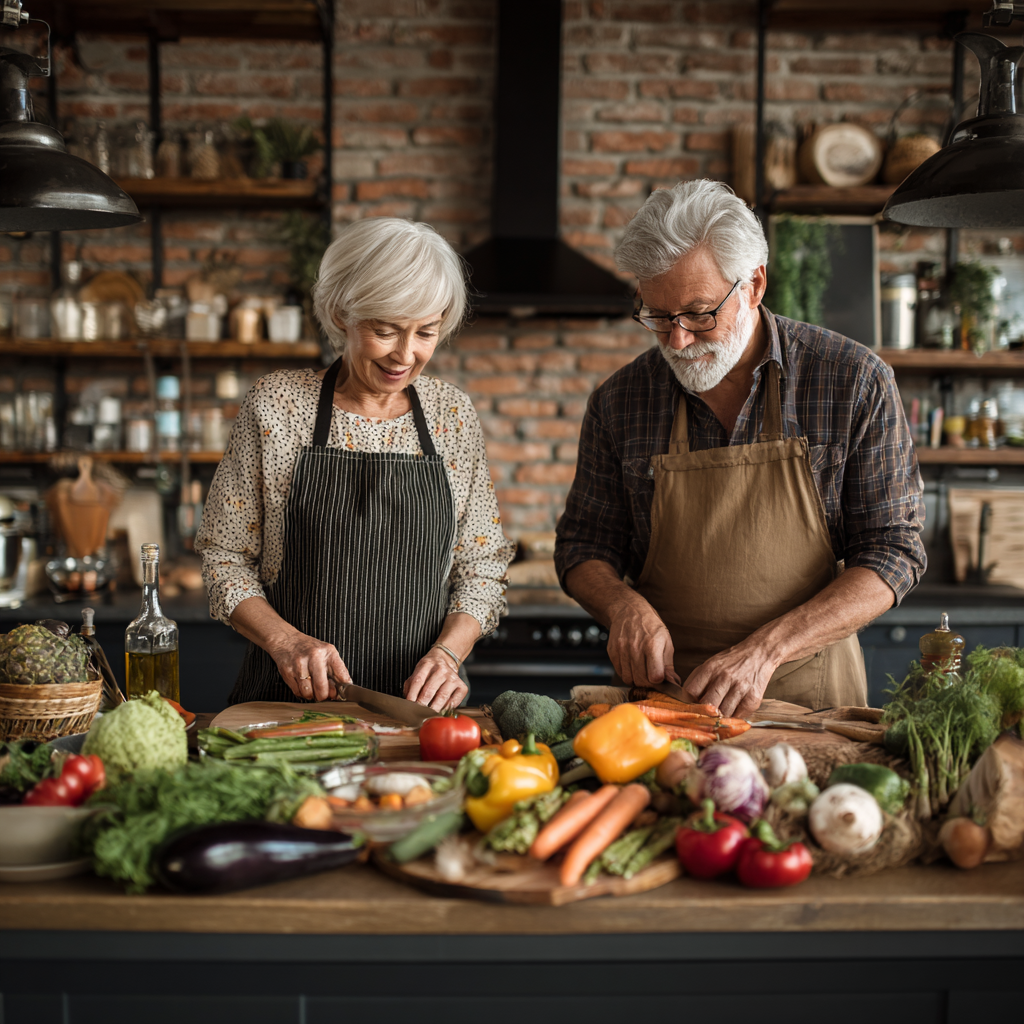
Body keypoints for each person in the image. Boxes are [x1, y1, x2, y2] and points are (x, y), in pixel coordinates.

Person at [554, 179, 926, 717]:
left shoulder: (851, 381)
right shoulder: (621, 401)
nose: (677, 339)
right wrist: (621, 606)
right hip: (666, 706)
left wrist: (765, 651)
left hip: (810, 701)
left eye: (700, 313)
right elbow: (583, 545)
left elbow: (895, 550)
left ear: (753, 285)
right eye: (657, 315)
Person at [197, 218, 515, 710]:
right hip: (289, 709)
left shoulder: (452, 415)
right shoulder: (277, 405)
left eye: (426, 333)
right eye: (385, 330)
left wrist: (448, 655)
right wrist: (286, 643)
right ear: (342, 313)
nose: (405, 355)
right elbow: (225, 558)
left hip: (415, 712)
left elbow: (481, 569)